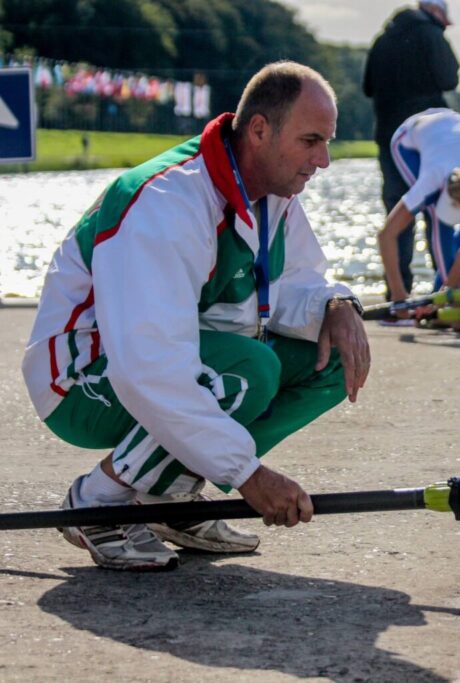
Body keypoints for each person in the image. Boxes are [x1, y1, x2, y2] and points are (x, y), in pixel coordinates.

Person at [21, 61, 372, 571]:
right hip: (79, 378)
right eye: (312, 141)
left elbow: (294, 283)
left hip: (169, 356)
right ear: (259, 130)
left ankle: (168, 498)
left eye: (327, 142)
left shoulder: (273, 193)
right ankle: (96, 502)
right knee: (252, 369)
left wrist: (336, 305)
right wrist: (248, 475)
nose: (325, 160)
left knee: (334, 359)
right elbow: (148, 366)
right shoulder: (165, 202)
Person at [363, 0, 460, 300]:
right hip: (427, 135)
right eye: (444, 20)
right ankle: (445, 287)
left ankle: (397, 291)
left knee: (398, 211)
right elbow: (449, 79)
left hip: (389, 135)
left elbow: (368, 87)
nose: (445, 26)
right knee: (436, 207)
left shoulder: (382, 40)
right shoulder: (432, 35)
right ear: (436, 13)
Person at [378, 107, 460, 330]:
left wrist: (443, 295)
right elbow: (386, 235)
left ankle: (445, 304)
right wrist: (398, 295)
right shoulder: (432, 179)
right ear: (443, 188)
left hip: (451, 128)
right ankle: (453, 310)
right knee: (436, 217)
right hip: (409, 139)